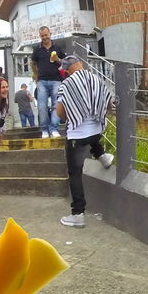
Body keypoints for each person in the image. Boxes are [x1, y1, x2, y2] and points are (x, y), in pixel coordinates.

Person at [55, 56, 115, 228]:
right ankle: (103, 157)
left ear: (67, 70)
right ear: (80, 64)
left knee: (75, 174)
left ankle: (78, 214)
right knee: (93, 137)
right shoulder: (95, 78)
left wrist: (72, 115)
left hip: (78, 136)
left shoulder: (66, 84)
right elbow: (107, 101)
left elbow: (60, 111)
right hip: (96, 131)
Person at [31, 26, 66, 138]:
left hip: (56, 80)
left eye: (46, 35)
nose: (44, 37)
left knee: (57, 105)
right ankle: (44, 129)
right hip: (42, 81)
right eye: (42, 36)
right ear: (40, 36)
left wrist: (58, 60)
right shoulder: (37, 49)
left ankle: (54, 128)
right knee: (41, 106)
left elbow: (65, 63)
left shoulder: (58, 48)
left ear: (50, 34)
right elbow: (33, 63)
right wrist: (36, 76)